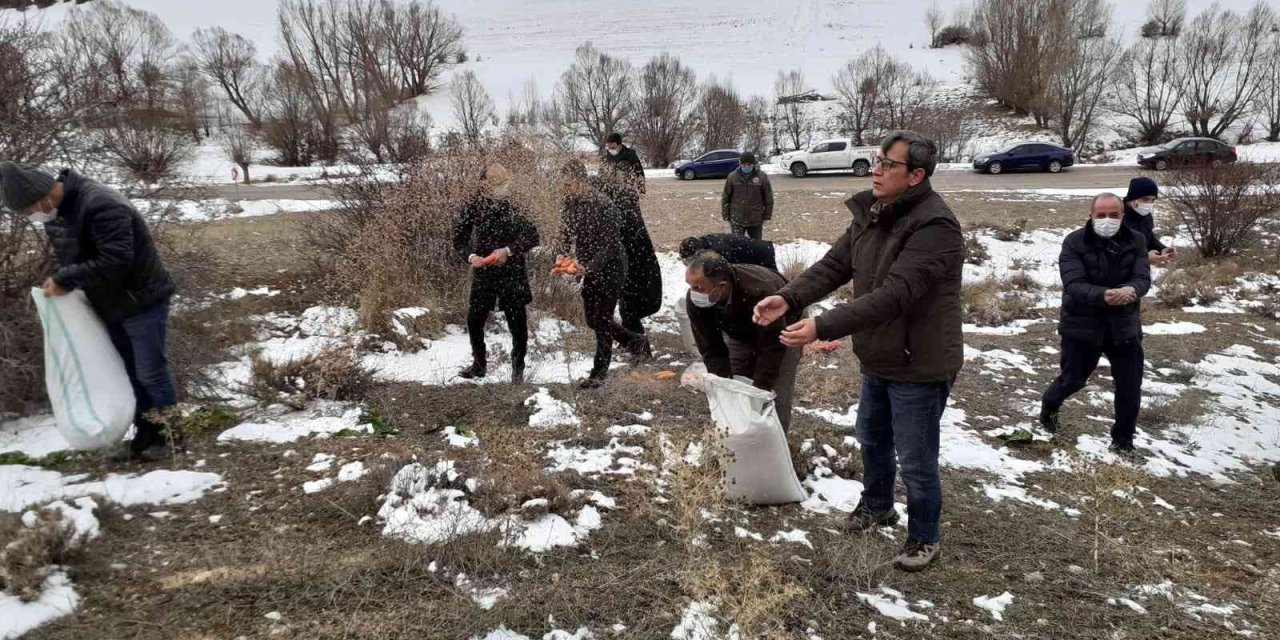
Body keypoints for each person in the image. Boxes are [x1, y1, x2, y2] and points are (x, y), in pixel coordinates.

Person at [752, 131, 963, 572]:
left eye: (889, 164)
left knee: (917, 458)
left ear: (917, 175)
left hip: (919, 361)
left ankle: (924, 536)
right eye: (878, 160)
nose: (878, 169)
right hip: (879, 355)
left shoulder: (935, 226)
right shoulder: (873, 212)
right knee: (873, 439)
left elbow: (895, 294)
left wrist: (822, 326)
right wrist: (789, 298)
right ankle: (877, 505)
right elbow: (834, 265)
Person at [0, 161, 177, 462]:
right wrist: (62, 281)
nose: (33, 216)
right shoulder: (56, 214)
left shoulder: (101, 204)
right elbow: (71, 256)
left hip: (141, 299)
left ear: (42, 196)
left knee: (150, 371)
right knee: (131, 373)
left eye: (30, 210)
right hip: (110, 303)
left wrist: (66, 278)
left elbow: (118, 257)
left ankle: (170, 437)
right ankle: (145, 435)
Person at [1039, 193, 1151, 459]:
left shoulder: (1136, 240)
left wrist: (1131, 290)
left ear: (1123, 216)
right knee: (1073, 379)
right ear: (1090, 216)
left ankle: (1123, 440)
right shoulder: (1074, 242)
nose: (1107, 220)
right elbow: (1073, 283)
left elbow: (1142, 277)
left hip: (1124, 326)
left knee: (1129, 385)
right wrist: (1103, 295)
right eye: (1101, 215)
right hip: (1082, 325)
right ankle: (1050, 405)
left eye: (1113, 215)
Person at [558, 160, 651, 389]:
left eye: (569, 185)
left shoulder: (603, 204)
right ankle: (636, 341)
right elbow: (565, 233)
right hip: (587, 265)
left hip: (612, 266)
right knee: (592, 319)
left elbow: (609, 245)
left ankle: (599, 374)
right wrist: (560, 256)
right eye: (564, 185)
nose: (566, 189)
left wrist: (587, 267)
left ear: (581, 182)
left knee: (601, 319)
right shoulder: (570, 202)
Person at [685, 251, 801, 430]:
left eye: (698, 288)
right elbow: (711, 347)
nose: (693, 293)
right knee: (734, 388)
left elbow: (772, 347)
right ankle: (737, 444)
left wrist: (760, 390)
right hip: (740, 331)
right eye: (690, 286)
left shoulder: (760, 290)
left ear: (721, 286)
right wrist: (723, 385)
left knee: (773, 397)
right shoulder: (697, 301)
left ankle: (773, 446)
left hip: (785, 328)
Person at [452, 163, 540, 383]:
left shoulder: (515, 202)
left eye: (503, 179)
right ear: (484, 183)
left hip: (512, 271)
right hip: (485, 271)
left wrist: (508, 251)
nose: (501, 184)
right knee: (474, 321)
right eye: (495, 180)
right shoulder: (474, 204)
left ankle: (518, 371)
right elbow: (459, 240)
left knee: (517, 324)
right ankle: (479, 365)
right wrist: (472, 258)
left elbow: (532, 236)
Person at [595, 163, 662, 335]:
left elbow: (621, 236)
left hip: (634, 261)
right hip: (637, 259)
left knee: (629, 307)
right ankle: (635, 341)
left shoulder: (620, 204)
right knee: (629, 305)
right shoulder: (624, 198)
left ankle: (639, 348)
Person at [1122, 176, 1175, 265]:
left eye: (1152, 200)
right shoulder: (1117, 218)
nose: (1149, 204)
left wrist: (1162, 249)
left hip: (1141, 272)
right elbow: (1117, 254)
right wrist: (1144, 257)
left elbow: (1149, 238)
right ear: (1133, 198)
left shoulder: (1146, 216)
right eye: (1145, 199)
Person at [721, 152, 773, 240]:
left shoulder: (762, 177)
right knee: (738, 245)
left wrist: (767, 215)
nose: (746, 167)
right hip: (737, 219)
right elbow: (726, 197)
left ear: (753, 164)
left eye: (749, 164)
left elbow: (768, 198)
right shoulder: (732, 177)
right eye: (744, 164)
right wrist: (726, 215)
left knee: (756, 246)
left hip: (755, 219)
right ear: (740, 164)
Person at [679, 233, 778, 272]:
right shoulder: (704, 242)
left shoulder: (718, 251)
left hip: (761, 254)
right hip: (756, 250)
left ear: (697, 252)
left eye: (690, 260)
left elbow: (728, 272)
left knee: (773, 281)